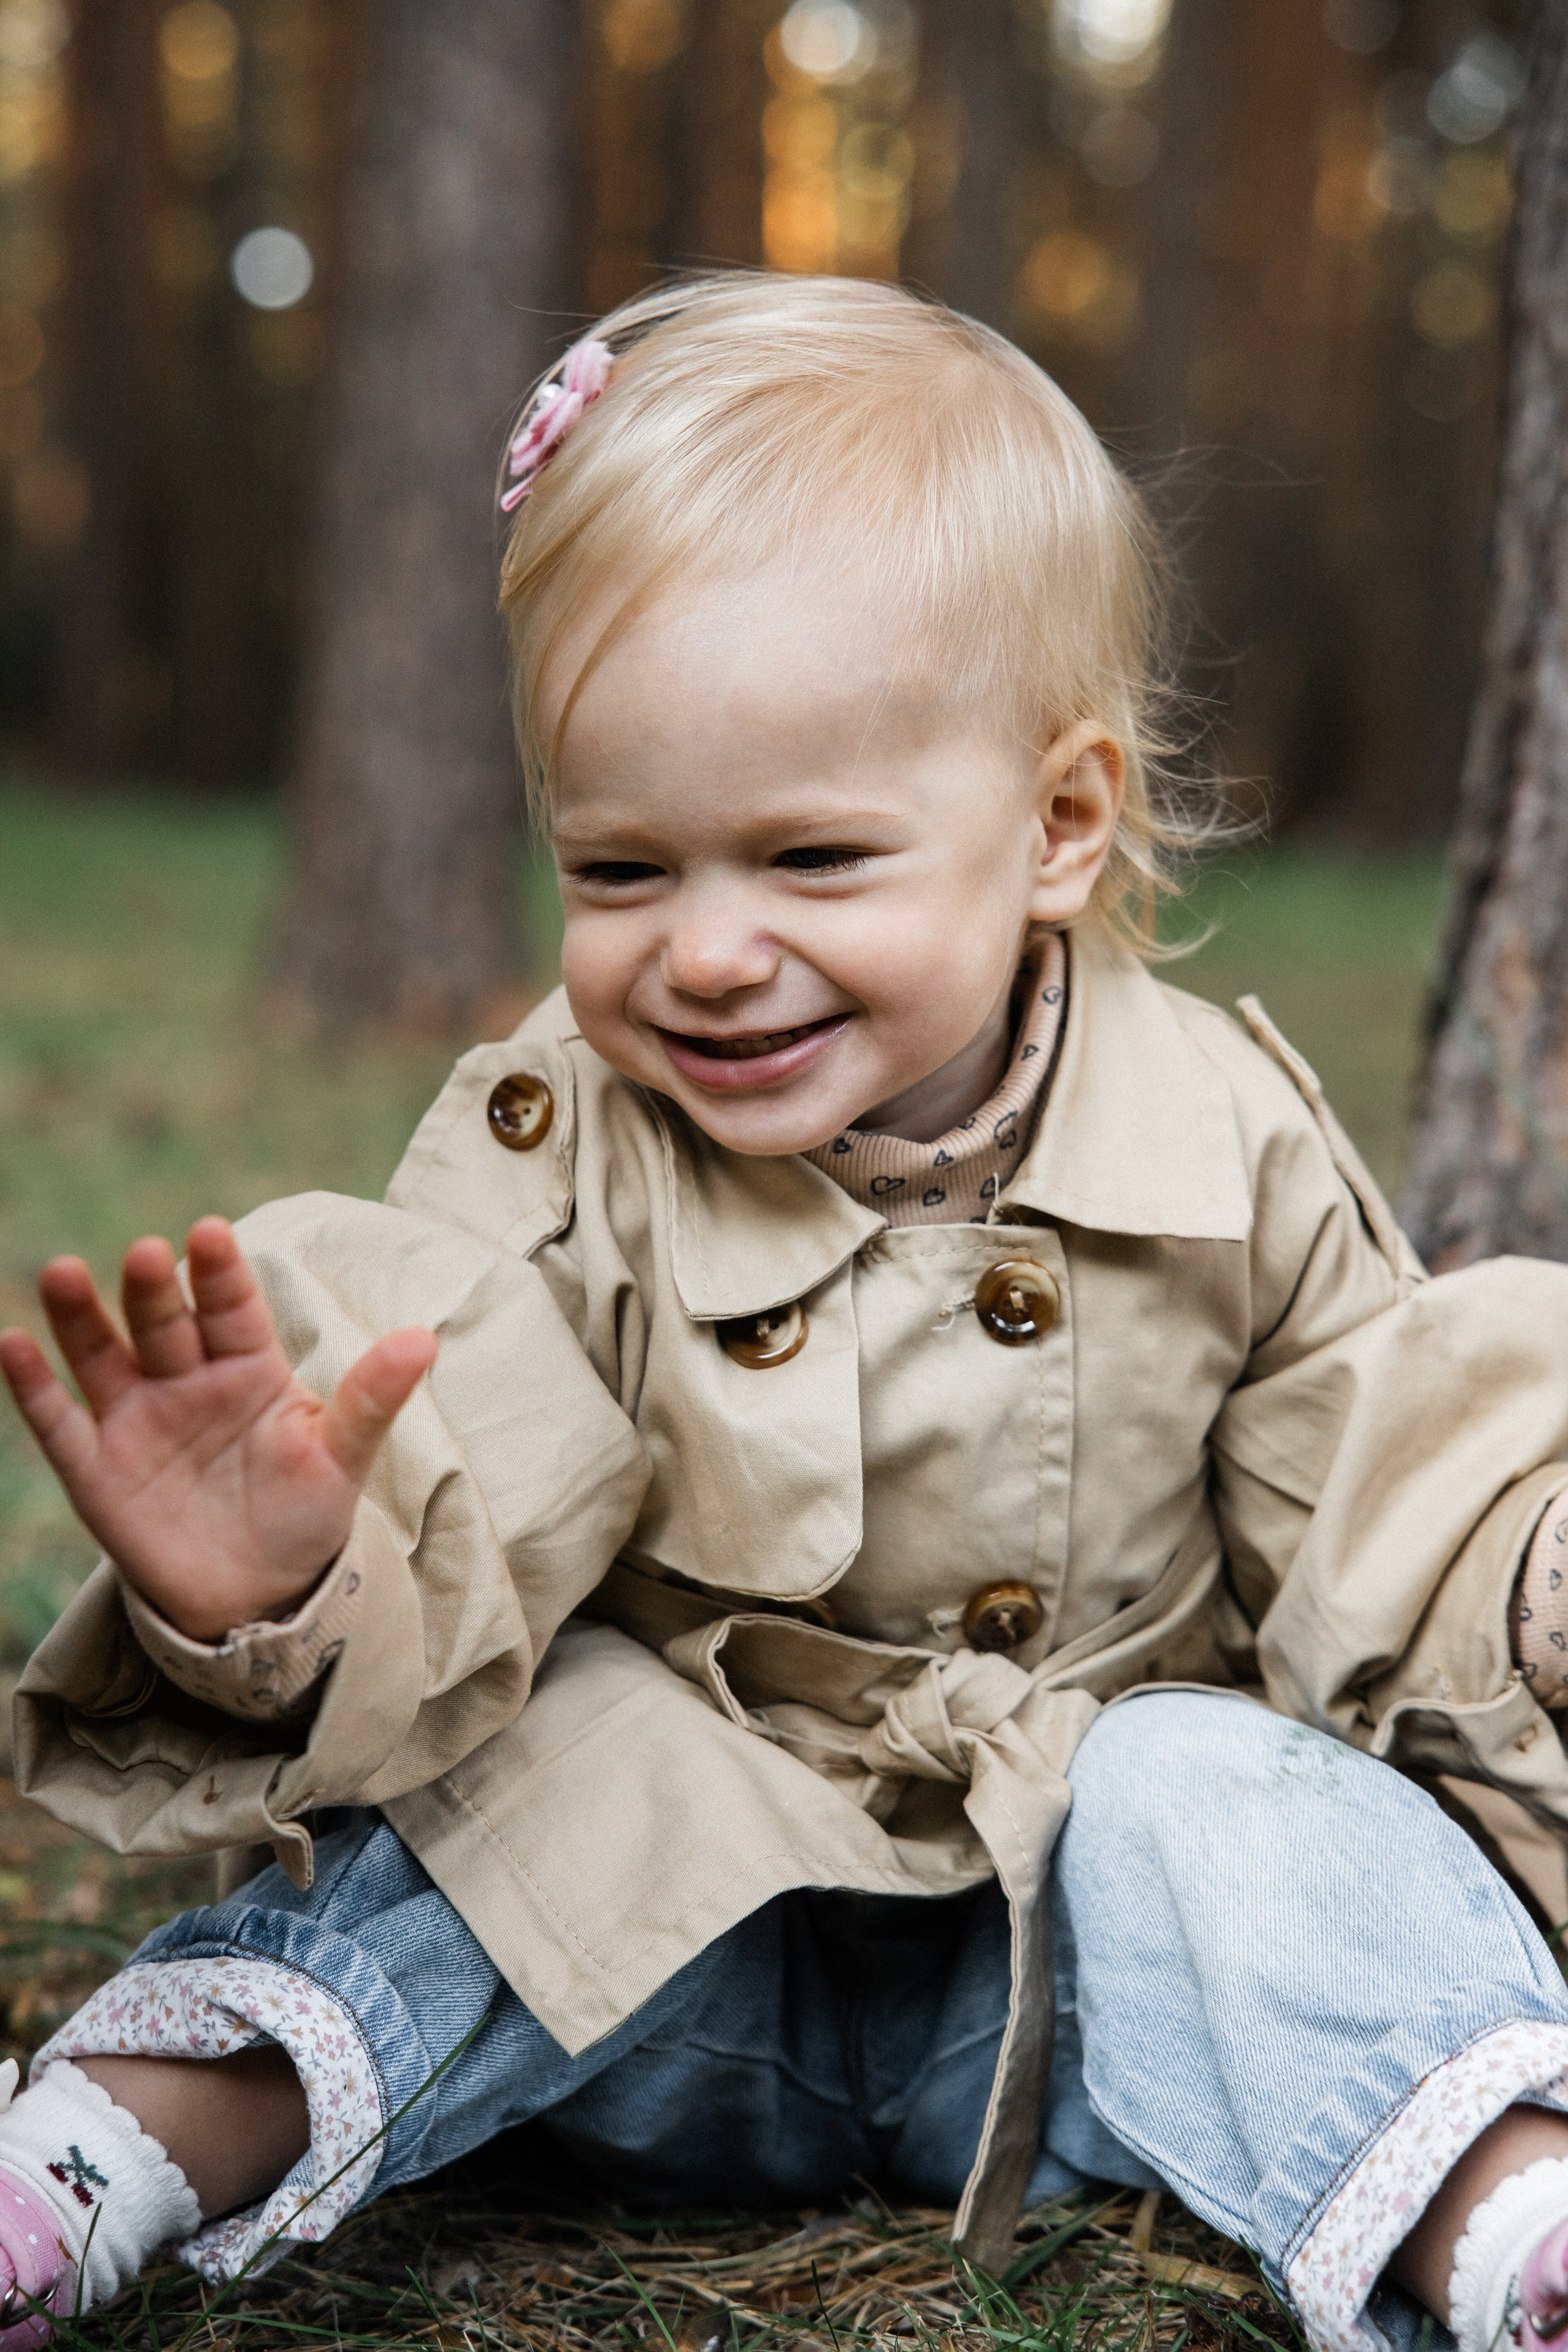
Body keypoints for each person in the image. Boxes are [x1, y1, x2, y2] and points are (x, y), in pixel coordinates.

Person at [5, 274, 1568, 2352]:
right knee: (540, 1767)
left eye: (812, 858)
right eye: (621, 870)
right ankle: (93, 2160)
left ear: (1057, 824)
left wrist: (1529, 1568)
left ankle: (1507, 2217)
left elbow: (1385, 1467)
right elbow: (454, 1457)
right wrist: (290, 1580)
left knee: (1231, 1792)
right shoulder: (560, 1138)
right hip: (655, 1968)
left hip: (1084, 1989)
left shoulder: (1219, 1133)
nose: (711, 951)